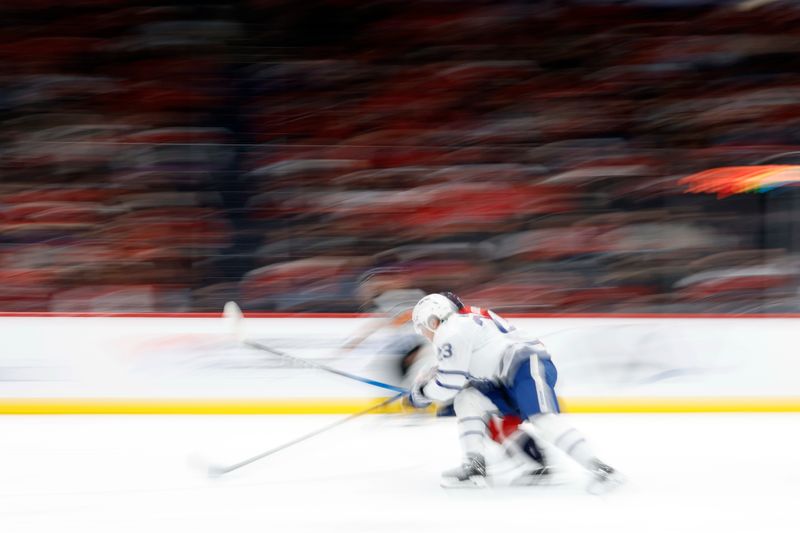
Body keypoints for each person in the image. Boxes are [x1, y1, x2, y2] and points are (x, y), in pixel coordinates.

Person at [408, 292, 620, 489]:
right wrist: (434, 380)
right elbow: (466, 370)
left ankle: (601, 469)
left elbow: (448, 383)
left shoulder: (451, 330)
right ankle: (475, 467)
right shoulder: (465, 322)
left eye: (423, 327)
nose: (425, 334)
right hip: (509, 374)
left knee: (543, 420)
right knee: (468, 399)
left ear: (433, 319)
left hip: (523, 367)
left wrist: (421, 394)